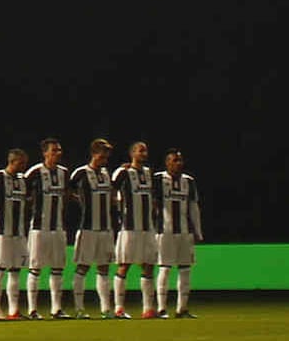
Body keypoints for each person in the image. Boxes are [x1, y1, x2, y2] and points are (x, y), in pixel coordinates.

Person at [70, 136, 117, 317]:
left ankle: (106, 309)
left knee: (104, 268)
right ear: (94, 153)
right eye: (102, 155)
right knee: (83, 267)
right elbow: (68, 190)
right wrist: (79, 201)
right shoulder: (81, 173)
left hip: (106, 229)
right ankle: (79, 308)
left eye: (107, 155)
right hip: (88, 228)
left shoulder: (106, 174)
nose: (105, 158)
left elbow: (112, 195)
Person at [111, 140, 156, 319]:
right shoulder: (123, 172)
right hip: (129, 227)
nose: (144, 153)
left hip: (147, 227)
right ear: (132, 154)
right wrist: (118, 208)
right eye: (140, 150)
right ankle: (119, 308)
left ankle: (148, 309)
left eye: (145, 151)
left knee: (148, 265)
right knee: (124, 265)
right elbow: (111, 190)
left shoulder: (149, 173)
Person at [27, 140, 72, 318]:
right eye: (54, 150)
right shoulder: (35, 172)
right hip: (39, 228)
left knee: (57, 268)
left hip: (58, 227)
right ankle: (32, 309)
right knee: (35, 268)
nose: (58, 153)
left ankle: (56, 309)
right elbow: (22, 189)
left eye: (59, 150)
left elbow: (68, 194)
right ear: (45, 153)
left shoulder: (64, 173)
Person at [159, 149, 202, 318]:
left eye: (180, 160)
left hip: (185, 232)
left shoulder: (188, 181)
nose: (178, 163)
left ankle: (182, 308)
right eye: (174, 160)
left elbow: (193, 207)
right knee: (165, 268)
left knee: (185, 269)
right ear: (167, 163)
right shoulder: (158, 179)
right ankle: (161, 308)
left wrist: (198, 231)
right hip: (165, 232)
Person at [0, 147, 34, 319]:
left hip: (19, 232)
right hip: (1, 232)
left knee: (15, 271)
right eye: (21, 163)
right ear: (12, 161)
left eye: (24, 163)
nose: (23, 166)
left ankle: (14, 310)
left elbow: (30, 197)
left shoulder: (23, 180)